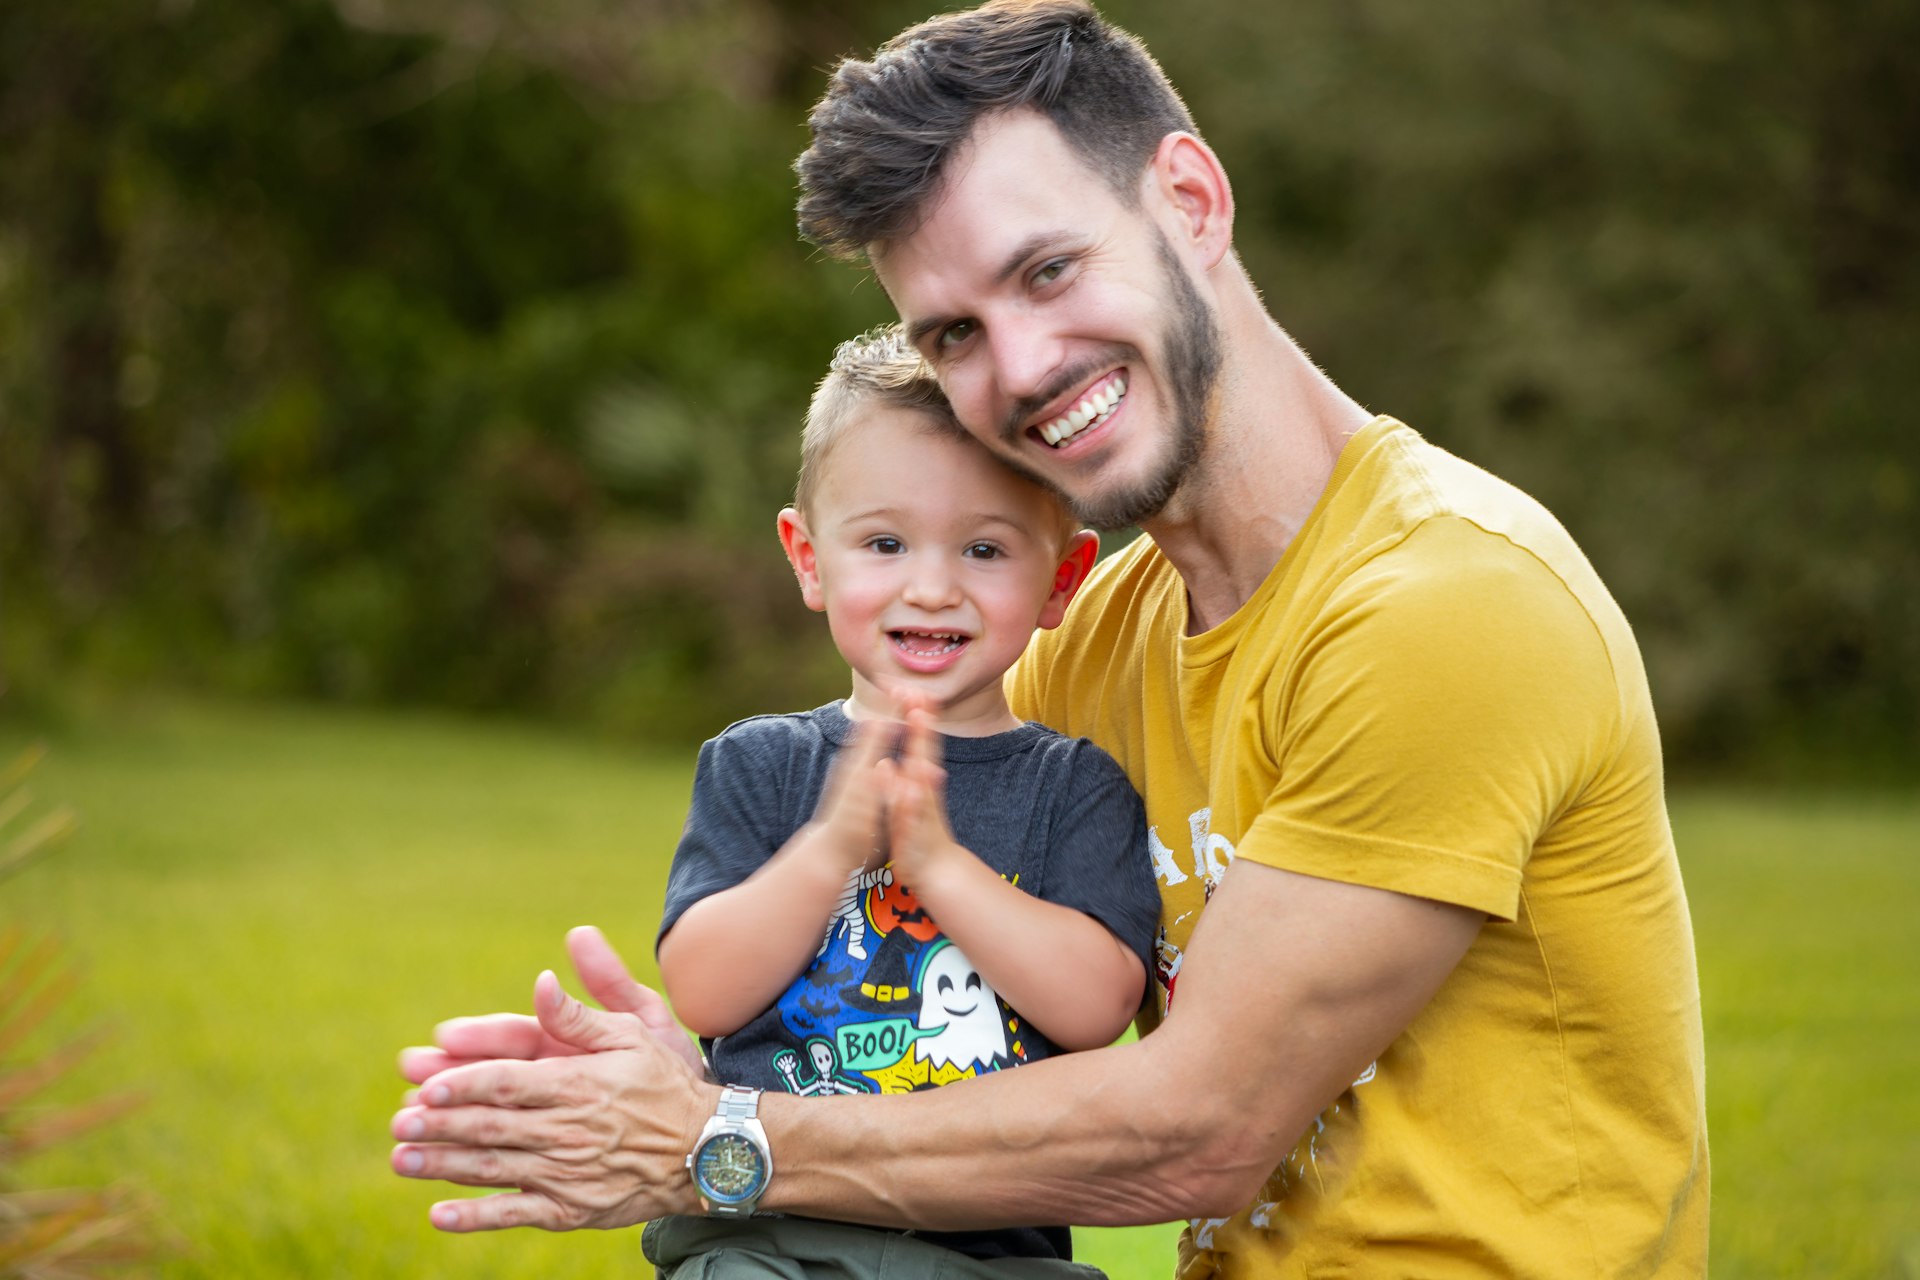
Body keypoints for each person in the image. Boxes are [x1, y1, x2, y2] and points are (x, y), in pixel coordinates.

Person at [392, 2, 1710, 1274]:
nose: (1017, 368)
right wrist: (731, 1072)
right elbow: (940, 1014)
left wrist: (717, 1146)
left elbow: (1196, 1131)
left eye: (1050, 269)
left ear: (1189, 201)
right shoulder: (1089, 646)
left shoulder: (1445, 603)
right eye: (955, 332)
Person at [641, 327, 1158, 1275]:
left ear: (1063, 579)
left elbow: (1098, 1009)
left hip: (997, 1247)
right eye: (884, 541)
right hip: (771, 1235)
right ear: (808, 558)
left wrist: (937, 866)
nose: (932, 585)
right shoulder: (762, 766)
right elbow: (704, 990)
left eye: (984, 549)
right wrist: (836, 845)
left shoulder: (1074, 787)